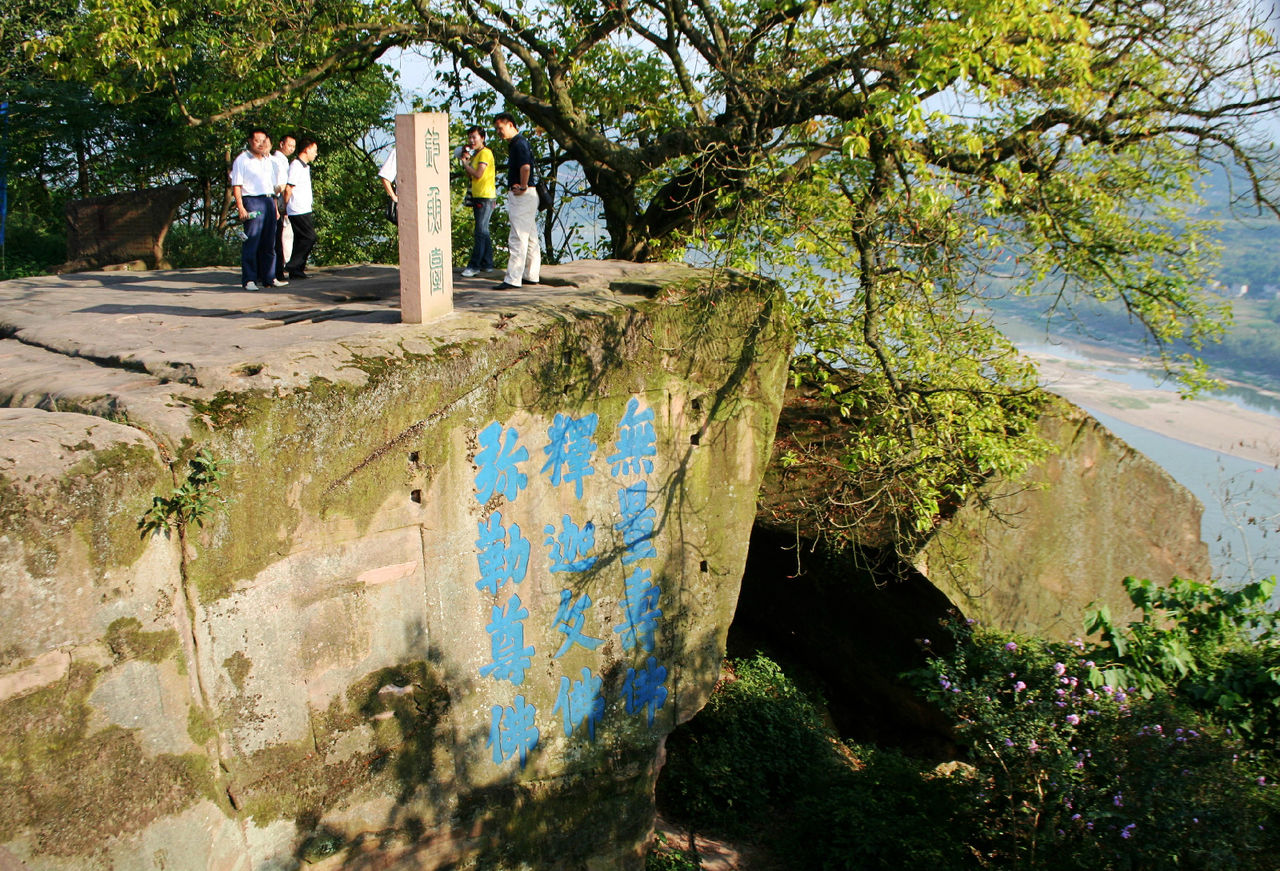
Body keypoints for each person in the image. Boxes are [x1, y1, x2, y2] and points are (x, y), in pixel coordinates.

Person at [231, 128, 282, 291]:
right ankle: (249, 279)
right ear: (249, 141)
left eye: (263, 140)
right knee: (252, 241)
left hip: (268, 200)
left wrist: (275, 207)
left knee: (269, 242)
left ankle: (269, 277)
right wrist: (240, 207)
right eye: (257, 140)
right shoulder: (242, 160)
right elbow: (236, 185)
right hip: (252, 200)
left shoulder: (268, 160)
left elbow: (272, 187)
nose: (260, 143)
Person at [493, 113, 540, 289]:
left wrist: (522, 186)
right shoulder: (522, 143)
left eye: (500, 128)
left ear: (511, 125)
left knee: (518, 237)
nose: (499, 132)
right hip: (530, 195)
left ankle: (513, 278)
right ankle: (531, 274)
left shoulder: (518, 144)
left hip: (523, 195)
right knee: (531, 237)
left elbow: (525, 167)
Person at [458, 126, 496, 277]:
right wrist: (466, 162)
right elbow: (471, 176)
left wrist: (466, 164)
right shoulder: (477, 155)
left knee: (480, 232)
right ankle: (487, 263)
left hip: (485, 196)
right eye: (470, 137)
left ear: (482, 138)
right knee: (483, 231)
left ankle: (474, 266)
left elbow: (478, 174)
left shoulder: (485, 153)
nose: (471, 140)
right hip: (479, 195)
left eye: (474, 137)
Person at [283, 138, 319, 280]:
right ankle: (293, 264)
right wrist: (285, 206)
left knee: (300, 238)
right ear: (307, 149)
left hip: (304, 207)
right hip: (297, 208)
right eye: (314, 151)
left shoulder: (304, 166)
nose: (315, 154)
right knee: (310, 237)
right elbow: (288, 188)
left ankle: (297, 270)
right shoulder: (296, 166)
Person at [271, 133, 297, 284]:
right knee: (279, 237)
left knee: (283, 235)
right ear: (281, 144)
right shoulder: (276, 161)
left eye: (294, 146)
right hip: (278, 198)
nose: (291, 149)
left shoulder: (285, 161)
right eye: (289, 145)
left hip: (282, 199)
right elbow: (278, 185)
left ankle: (279, 268)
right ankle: (277, 270)